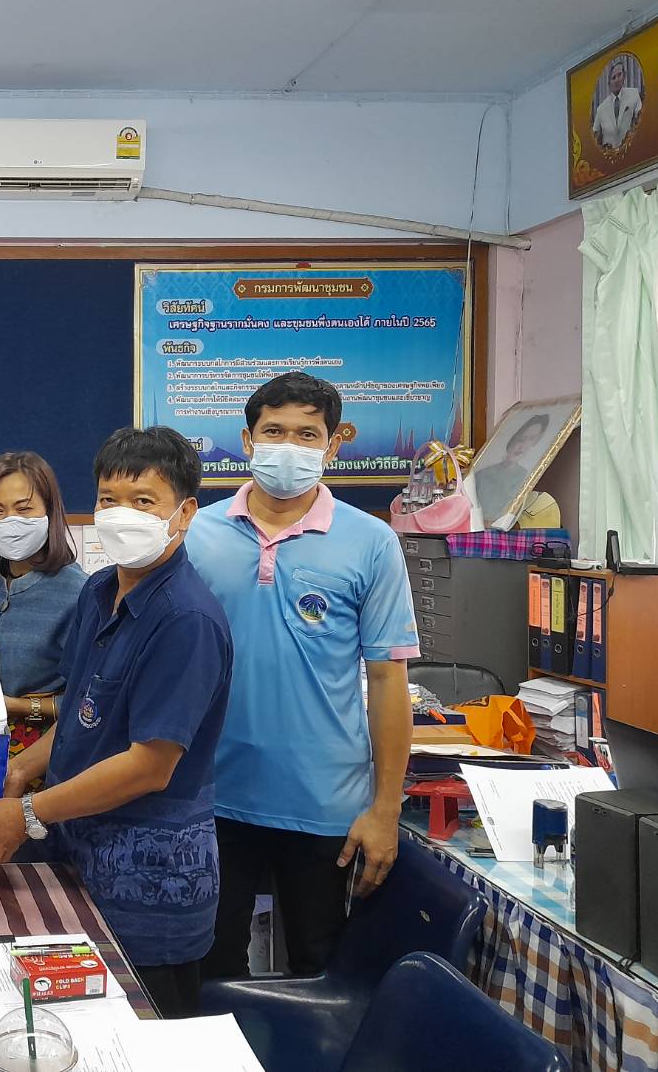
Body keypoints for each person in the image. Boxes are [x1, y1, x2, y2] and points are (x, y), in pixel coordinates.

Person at [0, 427, 233, 1019]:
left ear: (185, 513)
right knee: (71, 1025)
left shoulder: (185, 620)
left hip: (149, 878)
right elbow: (82, 711)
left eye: (144, 501)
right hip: (76, 851)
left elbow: (149, 766)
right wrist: (20, 770)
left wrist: (29, 811)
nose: (121, 514)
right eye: (110, 499)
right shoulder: (98, 592)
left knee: (144, 1034)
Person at [185, 372, 417, 980]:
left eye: (307, 434)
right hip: (212, 797)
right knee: (210, 972)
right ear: (247, 440)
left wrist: (385, 809)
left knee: (321, 973)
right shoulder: (196, 533)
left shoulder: (372, 542)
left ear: (332, 445)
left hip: (325, 804)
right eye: (274, 431)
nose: (288, 446)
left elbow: (387, 682)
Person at [0, 452, 88, 758]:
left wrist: (18, 706)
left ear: (50, 512)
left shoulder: (80, 593)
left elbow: (90, 700)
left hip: (43, 755)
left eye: (24, 509)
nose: (10, 521)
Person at [471, 413, 550, 525]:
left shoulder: (527, 477)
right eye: (522, 438)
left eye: (531, 439)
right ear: (513, 437)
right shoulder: (481, 474)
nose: (522, 446)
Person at [592, 57, 642, 151]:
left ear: (624, 76)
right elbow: (595, 135)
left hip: (632, 149)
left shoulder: (634, 94)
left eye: (619, 75)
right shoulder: (601, 108)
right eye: (613, 78)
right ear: (609, 83)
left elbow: (640, 119)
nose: (617, 80)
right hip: (609, 155)